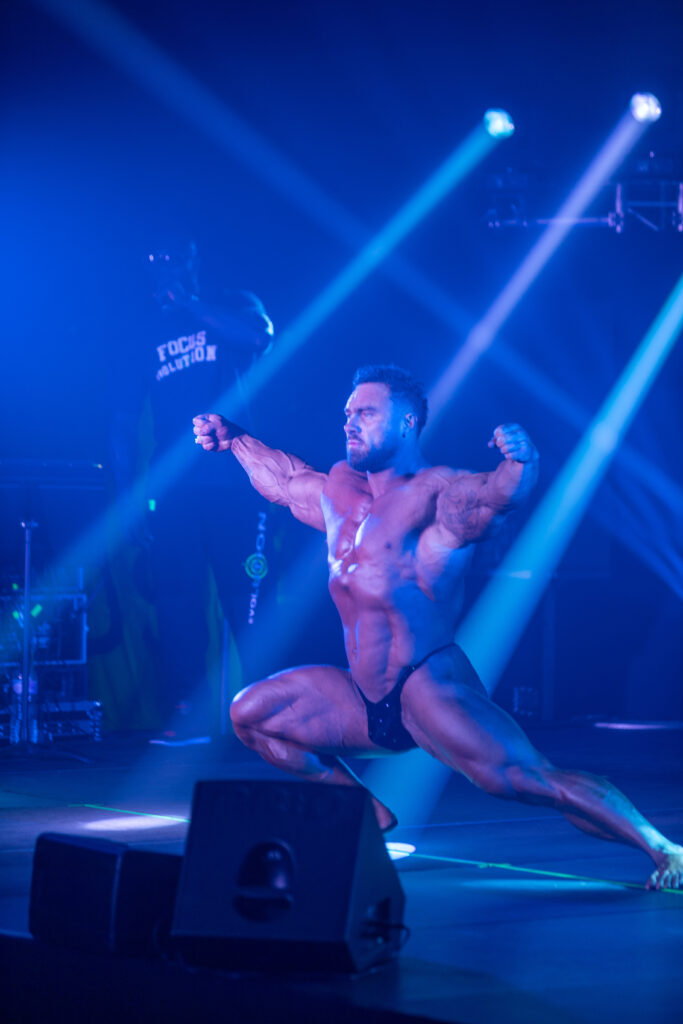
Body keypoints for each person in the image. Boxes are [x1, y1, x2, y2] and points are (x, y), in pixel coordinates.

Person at [193, 364, 682, 888]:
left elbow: (494, 497)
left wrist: (521, 462)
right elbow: (285, 482)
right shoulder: (339, 492)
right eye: (348, 414)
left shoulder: (435, 494)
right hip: (361, 696)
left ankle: (664, 849)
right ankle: (366, 812)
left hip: (425, 685)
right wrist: (235, 439)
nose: (350, 423)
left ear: (406, 423)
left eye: (366, 413)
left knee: (528, 780)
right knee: (251, 714)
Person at [111, 241, 283, 743]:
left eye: (177, 255)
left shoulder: (234, 303)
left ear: (193, 260)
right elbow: (121, 424)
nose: (167, 265)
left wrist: (188, 303)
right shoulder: (141, 332)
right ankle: (187, 716)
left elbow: (259, 337)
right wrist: (126, 501)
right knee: (177, 600)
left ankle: (276, 716)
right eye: (156, 258)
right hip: (175, 492)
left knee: (250, 597)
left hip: (239, 484)